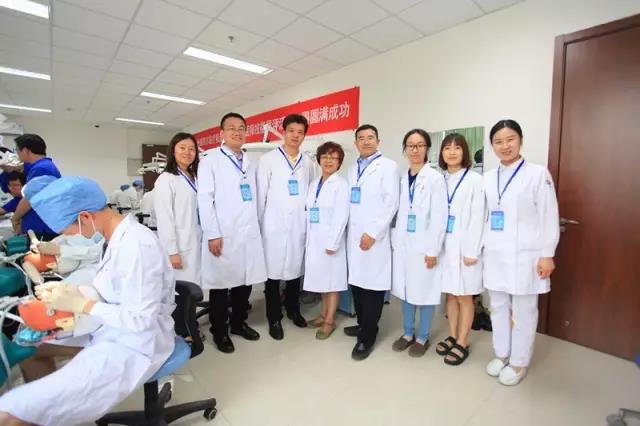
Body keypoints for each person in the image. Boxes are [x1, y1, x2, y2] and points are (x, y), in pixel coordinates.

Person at [0, 176, 176, 425]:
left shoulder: (137, 246)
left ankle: (44, 407)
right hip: (110, 327)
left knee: (9, 413)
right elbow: (113, 289)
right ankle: (48, 410)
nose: (69, 236)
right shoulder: (114, 238)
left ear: (84, 217)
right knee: (30, 349)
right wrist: (71, 294)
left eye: (67, 231)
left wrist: (85, 305)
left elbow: (141, 320)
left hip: (137, 344)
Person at [483, 119, 560, 386]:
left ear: (521, 141)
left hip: (526, 255)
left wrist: (547, 253)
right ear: (492, 146)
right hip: (495, 253)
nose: (505, 146)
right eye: (498, 142)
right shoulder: (488, 178)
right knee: (497, 307)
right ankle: (502, 354)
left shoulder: (537, 174)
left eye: (510, 139)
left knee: (524, 310)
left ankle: (518, 363)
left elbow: (549, 214)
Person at [197, 112, 267, 353]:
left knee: (244, 282)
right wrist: (212, 233)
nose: (237, 132)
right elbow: (205, 199)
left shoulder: (249, 161)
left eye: (241, 128)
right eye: (232, 128)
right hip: (224, 233)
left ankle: (238, 323)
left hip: (248, 232)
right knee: (220, 286)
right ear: (222, 133)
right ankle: (219, 331)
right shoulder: (210, 160)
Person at [343, 124, 399, 360]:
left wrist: (373, 232)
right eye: (361, 138)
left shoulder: (388, 166)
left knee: (373, 288)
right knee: (357, 284)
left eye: (370, 137)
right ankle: (362, 324)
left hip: (374, 237)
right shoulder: (351, 169)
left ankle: (367, 336)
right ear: (356, 143)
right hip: (354, 237)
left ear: (378, 141)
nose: (366, 141)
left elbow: (391, 202)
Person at [390, 129, 448, 358]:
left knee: (425, 292)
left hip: (425, 247)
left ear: (427, 149)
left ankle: (422, 336)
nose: (415, 150)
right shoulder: (402, 179)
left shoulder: (435, 178)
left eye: (420, 145)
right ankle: (407, 333)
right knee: (406, 291)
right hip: (404, 246)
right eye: (411, 145)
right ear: (405, 149)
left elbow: (440, 217)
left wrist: (433, 250)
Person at [257, 114, 314, 340]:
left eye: (300, 132)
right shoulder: (268, 160)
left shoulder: (307, 162)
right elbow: (261, 196)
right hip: (273, 226)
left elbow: (311, 195)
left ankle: (293, 310)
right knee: (272, 276)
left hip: (298, 225)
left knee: (294, 272)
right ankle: (274, 317)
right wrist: (260, 226)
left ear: (304, 135)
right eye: (291, 131)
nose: (295, 136)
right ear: (284, 132)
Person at [434, 133, 485, 365]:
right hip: (445, 245)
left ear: (464, 152)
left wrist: (472, 250)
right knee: (451, 294)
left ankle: (463, 341)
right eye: (447, 148)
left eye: (457, 147)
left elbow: (478, 216)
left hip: (465, 248)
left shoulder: (474, 180)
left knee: (465, 295)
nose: (452, 152)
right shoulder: (440, 179)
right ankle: (453, 335)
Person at [303, 142, 349, 340]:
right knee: (322, 281)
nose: (328, 161)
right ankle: (322, 314)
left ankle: (329, 320)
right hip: (315, 240)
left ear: (339, 162)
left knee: (332, 283)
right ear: (319, 159)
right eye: (325, 157)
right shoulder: (314, 183)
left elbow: (341, 216)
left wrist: (333, 243)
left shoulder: (341, 185)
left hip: (331, 242)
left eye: (333, 157)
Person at [154, 132, 202, 284]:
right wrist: (172, 251)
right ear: (173, 151)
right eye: (182, 148)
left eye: (192, 149)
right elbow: (165, 218)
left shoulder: (195, 176)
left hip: (196, 239)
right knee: (184, 289)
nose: (187, 152)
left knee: (197, 286)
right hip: (180, 245)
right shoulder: (166, 179)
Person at [0, 134, 61, 240]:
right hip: (39, 227)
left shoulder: (41, 168)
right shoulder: (40, 167)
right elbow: (21, 168)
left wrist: (15, 219)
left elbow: (29, 199)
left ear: (26, 150)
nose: (16, 154)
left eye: (17, 150)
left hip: (42, 229)